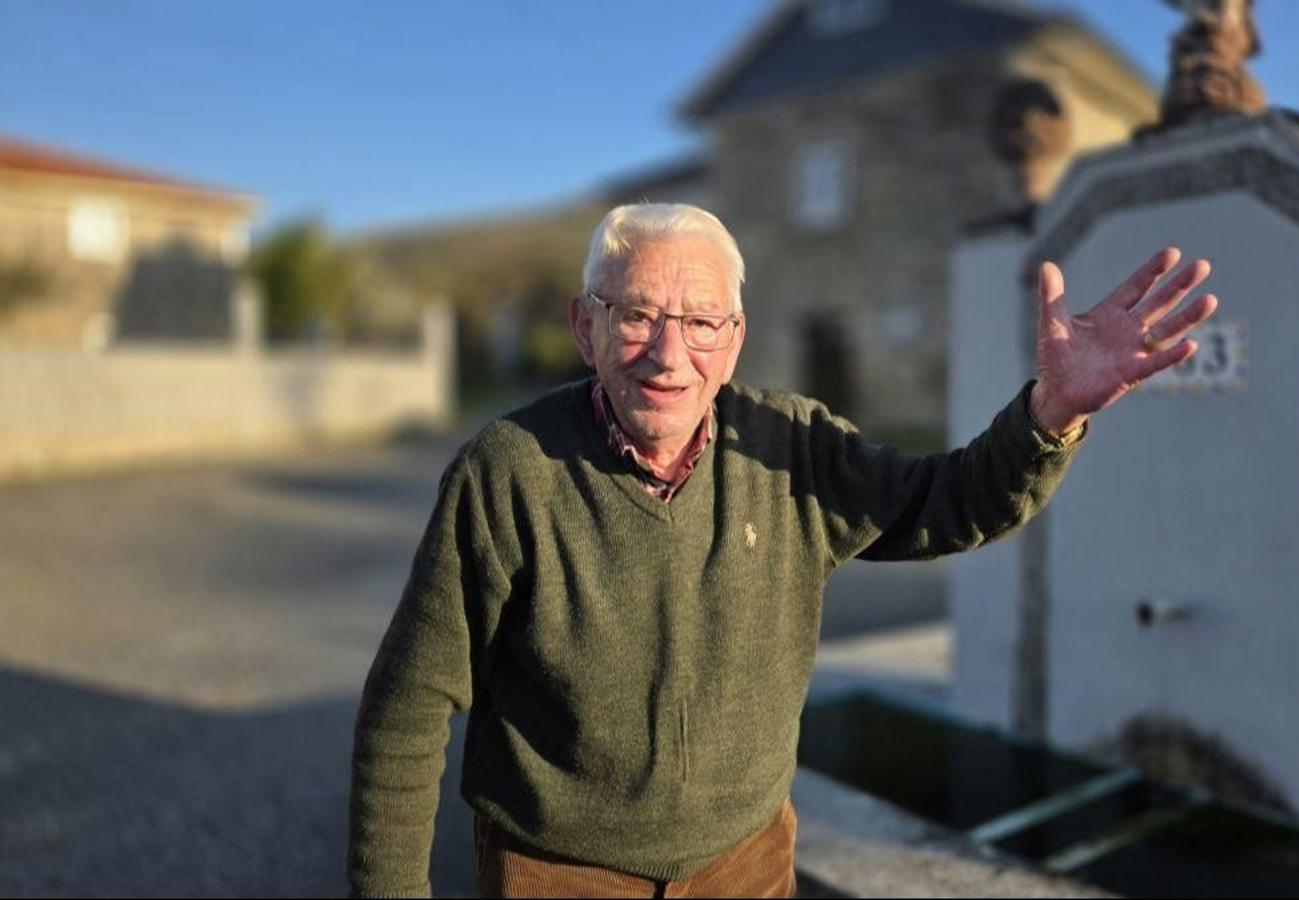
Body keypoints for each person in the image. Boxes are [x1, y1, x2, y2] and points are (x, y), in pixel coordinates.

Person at [348, 203, 1217, 898]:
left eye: (700, 321)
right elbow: (407, 708)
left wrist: (1051, 413)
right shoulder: (508, 470)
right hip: (559, 876)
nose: (669, 354)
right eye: (637, 315)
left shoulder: (792, 446)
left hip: (748, 866)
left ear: (733, 340)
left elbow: (946, 502)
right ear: (585, 327)